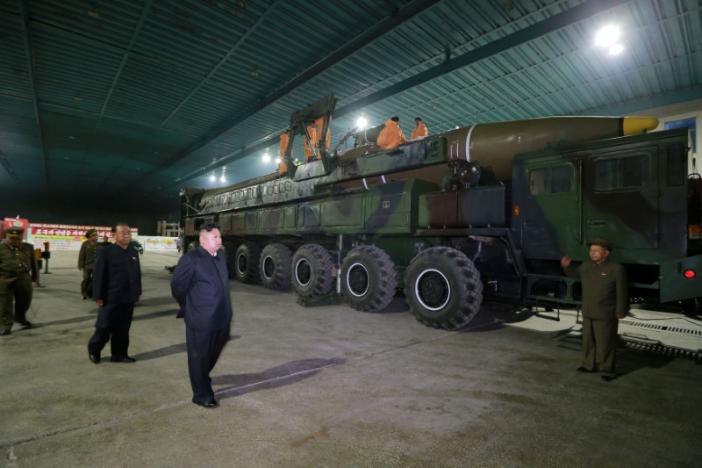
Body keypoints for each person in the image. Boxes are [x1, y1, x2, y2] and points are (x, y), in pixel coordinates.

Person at [171, 223, 233, 408]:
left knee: (213, 350)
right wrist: (189, 306)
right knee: (199, 356)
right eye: (215, 237)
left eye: (220, 237)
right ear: (202, 240)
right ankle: (201, 394)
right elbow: (178, 287)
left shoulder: (220, 257)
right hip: (201, 318)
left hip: (222, 315)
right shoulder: (191, 259)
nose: (220, 240)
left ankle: (202, 374)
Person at [561, 238, 628, 381]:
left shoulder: (616, 269)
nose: (593, 253)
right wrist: (566, 266)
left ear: (606, 252)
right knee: (587, 341)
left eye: (597, 251)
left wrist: (621, 311)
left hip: (606, 313)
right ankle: (588, 365)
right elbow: (573, 274)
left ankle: (607, 369)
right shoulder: (586, 266)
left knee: (606, 343)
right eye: (591, 250)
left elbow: (622, 292)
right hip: (588, 311)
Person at [87, 223, 142, 364]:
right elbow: (98, 275)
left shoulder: (133, 252)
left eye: (128, 232)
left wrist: (137, 292)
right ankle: (94, 349)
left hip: (128, 298)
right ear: (114, 235)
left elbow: (136, 274)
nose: (126, 235)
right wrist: (98, 296)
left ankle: (119, 355)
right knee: (104, 328)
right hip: (110, 298)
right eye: (123, 233)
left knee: (123, 329)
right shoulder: (105, 252)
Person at [0, 226, 39, 335]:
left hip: (24, 279)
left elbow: (34, 264)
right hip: (5, 279)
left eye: (17, 237)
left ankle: (20, 319)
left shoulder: (29, 247)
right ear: (7, 237)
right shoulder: (1, 248)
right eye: (11, 238)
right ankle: (5, 325)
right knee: (4, 304)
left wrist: (35, 278)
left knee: (24, 301)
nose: (14, 240)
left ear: (22, 237)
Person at [78, 229, 99, 299]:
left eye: (96, 235)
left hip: (96, 265)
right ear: (89, 236)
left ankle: (93, 293)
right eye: (94, 235)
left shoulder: (99, 244)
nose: (96, 236)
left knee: (96, 280)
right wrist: (80, 264)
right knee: (86, 279)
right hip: (87, 265)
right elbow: (82, 254)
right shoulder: (85, 244)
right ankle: (84, 292)